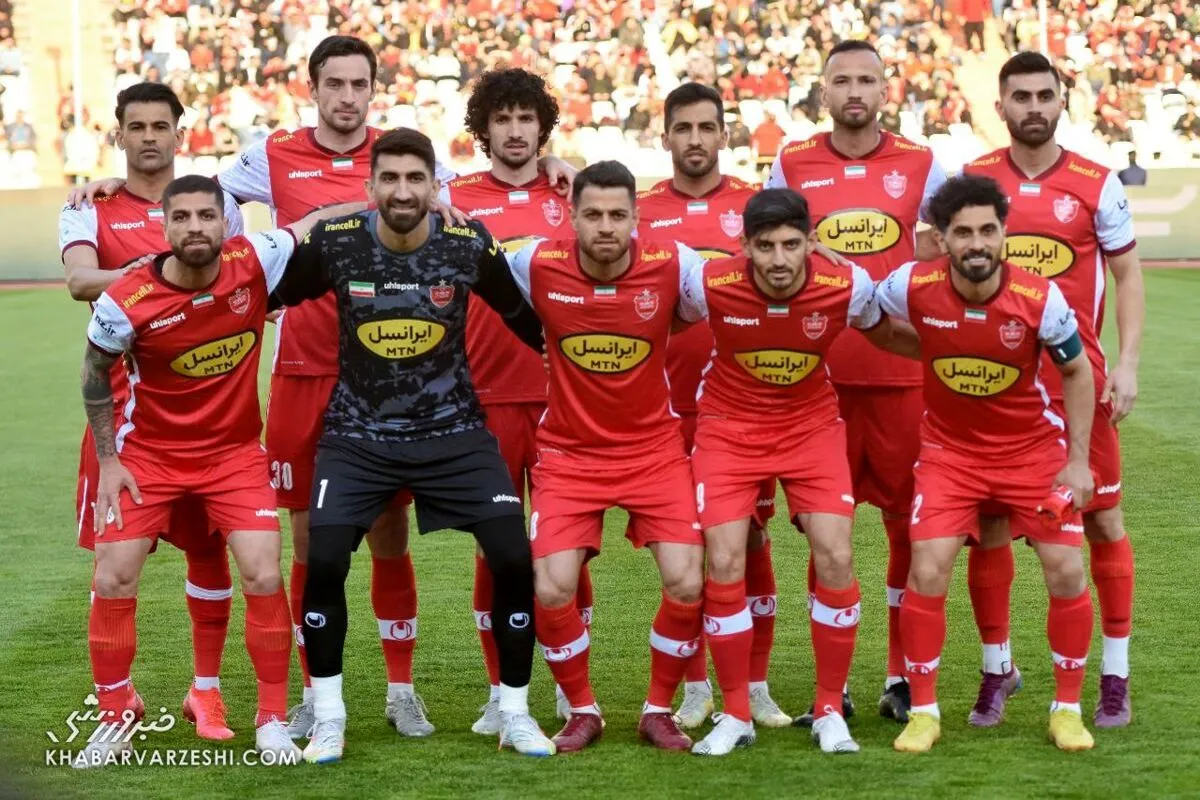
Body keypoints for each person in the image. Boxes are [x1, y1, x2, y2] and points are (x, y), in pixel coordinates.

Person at [67, 38, 577, 741]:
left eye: (358, 83)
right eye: (333, 83)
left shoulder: (407, 162)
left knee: (390, 535)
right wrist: (123, 184)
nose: (346, 95)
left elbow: (488, 179)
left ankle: (401, 690)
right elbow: (199, 200)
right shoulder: (271, 154)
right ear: (313, 88)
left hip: (399, 382)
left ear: (373, 89)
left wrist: (551, 163)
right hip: (305, 371)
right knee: (312, 542)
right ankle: (312, 695)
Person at [271, 128, 554, 763]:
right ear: (370, 187)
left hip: (453, 432)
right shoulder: (337, 243)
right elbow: (260, 296)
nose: (403, 192)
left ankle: (515, 712)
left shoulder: (466, 242)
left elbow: (526, 319)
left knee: (513, 556)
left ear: (434, 186)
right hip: (358, 436)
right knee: (323, 560)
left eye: (415, 179)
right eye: (390, 179)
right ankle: (329, 718)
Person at [77, 174, 349, 767]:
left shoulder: (253, 259)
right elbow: (94, 374)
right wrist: (109, 461)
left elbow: (313, 223)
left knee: (263, 572)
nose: (195, 227)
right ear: (165, 226)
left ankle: (271, 720)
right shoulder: (125, 299)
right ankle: (116, 714)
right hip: (149, 456)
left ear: (226, 223)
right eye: (182, 217)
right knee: (113, 576)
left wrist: (388, 197)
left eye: (207, 216)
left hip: (233, 455)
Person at [680, 188, 919, 756]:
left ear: (812, 242)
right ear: (744, 247)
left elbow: (885, 330)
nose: (779, 259)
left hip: (809, 427)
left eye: (792, 244)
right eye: (765, 247)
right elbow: (654, 320)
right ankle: (736, 714)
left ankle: (830, 710)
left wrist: (955, 351)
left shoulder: (847, 284)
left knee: (835, 554)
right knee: (725, 560)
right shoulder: (707, 282)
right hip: (729, 427)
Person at [878, 174, 1098, 753]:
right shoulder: (910, 284)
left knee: (1066, 570)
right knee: (927, 568)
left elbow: (1077, 371)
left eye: (987, 230)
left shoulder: (1040, 298)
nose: (976, 243)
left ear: (1003, 233)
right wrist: (926, 347)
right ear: (942, 239)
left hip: (1031, 453)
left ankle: (1067, 710)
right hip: (949, 455)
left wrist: (1078, 462)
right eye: (962, 232)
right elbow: (863, 312)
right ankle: (923, 713)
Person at [767, 38, 947, 725]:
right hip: (821, 381)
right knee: (827, 537)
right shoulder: (792, 161)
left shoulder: (922, 161)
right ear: (823, 91)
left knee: (907, 531)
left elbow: (962, 234)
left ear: (884, 89)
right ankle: (832, 686)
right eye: (841, 80)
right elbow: (765, 249)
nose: (854, 91)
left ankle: (899, 675)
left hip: (902, 377)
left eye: (866, 80)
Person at [59, 82, 245, 742]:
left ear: (178, 134)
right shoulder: (89, 206)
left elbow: (243, 269)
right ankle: (116, 703)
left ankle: (206, 693)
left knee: (210, 554)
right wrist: (165, 272)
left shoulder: (213, 204)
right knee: (113, 567)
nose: (147, 137)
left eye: (159, 126)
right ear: (118, 135)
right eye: (135, 126)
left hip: (206, 416)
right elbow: (79, 281)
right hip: (118, 419)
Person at [963, 52, 1142, 729]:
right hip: (993, 389)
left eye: (1045, 94)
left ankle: (1115, 676)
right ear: (1001, 106)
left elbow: (1127, 275)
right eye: (1022, 96)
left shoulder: (1097, 183)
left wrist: (1128, 363)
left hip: (1078, 386)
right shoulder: (975, 179)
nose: (1034, 106)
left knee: (1103, 521)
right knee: (990, 527)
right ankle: (996, 670)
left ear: (1062, 100)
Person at [508, 161, 705, 754]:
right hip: (569, 454)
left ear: (637, 218)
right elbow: (475, 264)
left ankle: (658, 710)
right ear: (571, 217)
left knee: (687, 580)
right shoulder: (535, 262)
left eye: (618, 215)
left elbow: (721, 293)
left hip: (654, 452)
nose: (605, 226)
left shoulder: (674, 263)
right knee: (551, 587)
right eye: (592, 214)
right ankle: (582, 710)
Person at [634, 82, 788, 731]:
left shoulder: (754, 208)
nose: (695, 139)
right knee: (690, 552)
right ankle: (697, 685)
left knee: (749, 540)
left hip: (744, 408)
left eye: (706, 127)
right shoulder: (638, 213)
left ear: (724, 135)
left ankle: (755, 684)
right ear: (666, 136)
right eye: (684, 128)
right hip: (668, 411)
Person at [446, 67, 592, 735]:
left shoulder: (573, 196)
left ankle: (568, 686)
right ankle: (499, 690)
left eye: (525, 118)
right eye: (500, 118)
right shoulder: (453, 198)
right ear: (483, 129)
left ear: (542, 127)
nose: (513, 130)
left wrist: (572, 173)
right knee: (496, 547)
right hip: (484, 398)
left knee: (568, 545)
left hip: (563, 398)